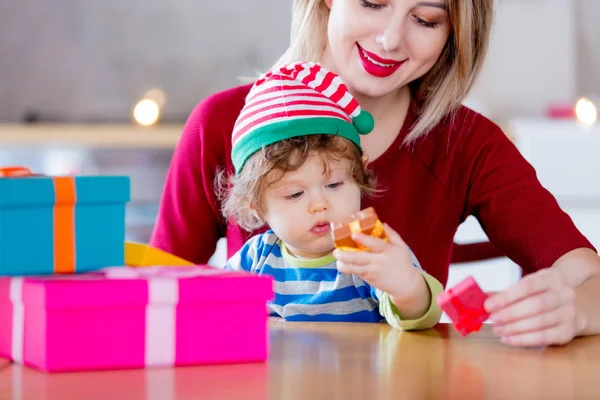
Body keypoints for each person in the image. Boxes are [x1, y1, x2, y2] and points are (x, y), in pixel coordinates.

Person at [151, 0, 600, 346]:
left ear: (456, 34)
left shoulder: (465, 142)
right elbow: (153, 301)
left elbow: (586, 274)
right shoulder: (222, 124)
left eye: (425, 19)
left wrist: (574, 311)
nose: (390, 39)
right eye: (371, 2)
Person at [219, 61, 443, 328]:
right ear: (256, 206)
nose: (319, 205)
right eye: (295, 194)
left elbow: (421, 316)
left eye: (334, 185)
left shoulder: (366, 244)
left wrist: (406, 287)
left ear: (360, 172)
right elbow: (213, 313)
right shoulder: (256, 258)